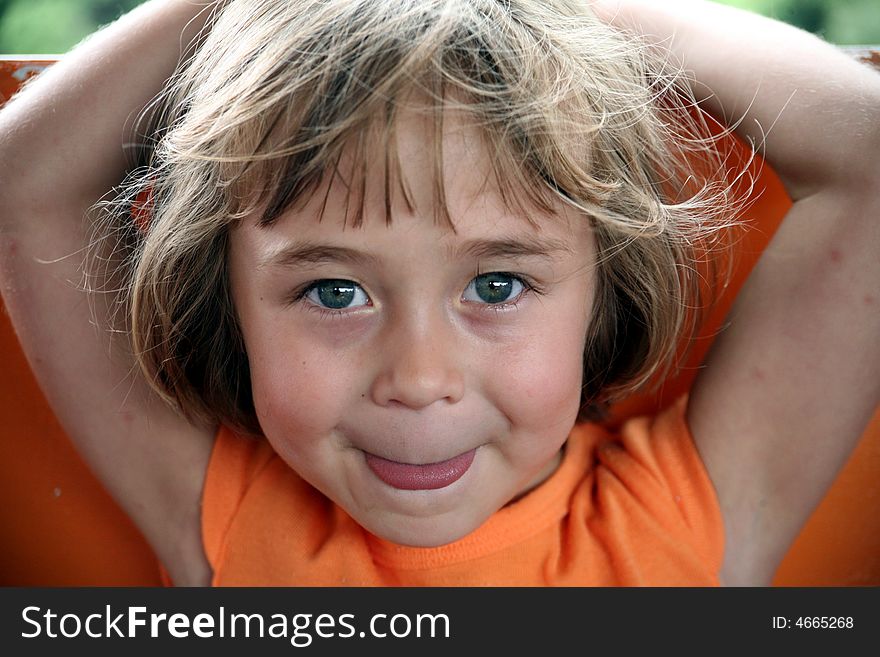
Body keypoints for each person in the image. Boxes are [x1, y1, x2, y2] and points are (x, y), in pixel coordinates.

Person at [0, 0, 876, 587]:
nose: (419, 379)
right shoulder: (229, 526)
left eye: (497, 284)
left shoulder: (680, 533)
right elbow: (21, 186)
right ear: (224, 303)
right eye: (335, 292)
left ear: (604, 289)